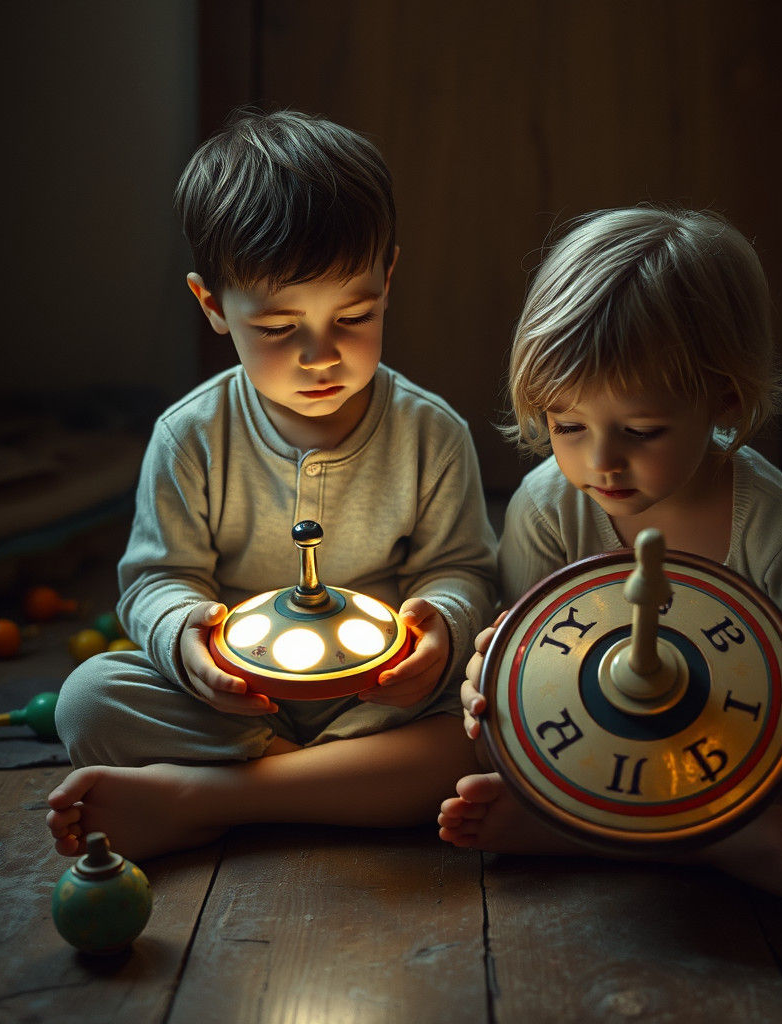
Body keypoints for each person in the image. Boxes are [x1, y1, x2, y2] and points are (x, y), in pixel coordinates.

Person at [46, 109, 497, 862]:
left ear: (388, 278)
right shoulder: (190, 436)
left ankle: (212, 799)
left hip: (373, 702)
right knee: (89, 700)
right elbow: (158, 577)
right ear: (213, 306)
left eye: (353, 316)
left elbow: (463, 569)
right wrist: (186, 641)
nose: (321, 356)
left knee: (492, 719)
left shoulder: (430, 433)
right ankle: (333, 788)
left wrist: (439, 633)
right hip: (231, 704)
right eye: (281, 328)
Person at [437, 207, 782, 905]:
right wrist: (484, 681)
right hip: (603, 743)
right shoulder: (545, 507)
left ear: (723, 399)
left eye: (642, 430)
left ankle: (604, 831)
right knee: (495, 746)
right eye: (567, 425)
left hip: (749, 766)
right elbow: (527, 668)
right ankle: (712, 844)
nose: (600, 462)